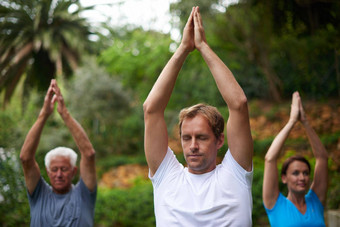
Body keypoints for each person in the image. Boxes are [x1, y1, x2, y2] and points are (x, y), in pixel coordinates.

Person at [143, 6, 253, 226]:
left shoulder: (235, 173)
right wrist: (183, 48)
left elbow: (238, 104)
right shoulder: (167, 176)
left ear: (219, 140)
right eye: (186, 137)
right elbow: (151, 109)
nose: (192, 145)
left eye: (201, 137)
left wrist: (202, 46)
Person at [20, 79, 97, 227]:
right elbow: (26, 158)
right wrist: (44, 114)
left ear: (74, 171)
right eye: (54, 170)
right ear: (48, 172)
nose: (59, 174)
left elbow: (89, 155)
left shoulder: (84, 195)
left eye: (64, 169)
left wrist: (64, 114)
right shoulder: (39, 195)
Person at [262, 91, 328, 227]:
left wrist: (305, 122)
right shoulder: (275, 203)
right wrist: (291, 121)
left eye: (305, 173)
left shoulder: (316, 201)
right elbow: (270, 159)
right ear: (284, 178)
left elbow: (322, 158)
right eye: (295, 173)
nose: (302, 177)